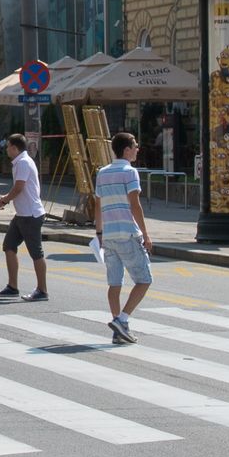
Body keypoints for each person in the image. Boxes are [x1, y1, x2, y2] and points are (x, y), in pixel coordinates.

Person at [92, 131, 153, 342]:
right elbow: (135, 205)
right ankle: (122, 320)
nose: (137, 149)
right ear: (126, 150)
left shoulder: (102, 172)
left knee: (114, 283)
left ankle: (118, 329)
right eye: (135, 146)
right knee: (144, 279)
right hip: (127, 233)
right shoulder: (130, 172)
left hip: (108, 235)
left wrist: (99, 232)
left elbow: (98, 205)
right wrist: (145, 234)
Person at [0, 131, 51, 301]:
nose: (6, 150)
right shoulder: (20, 162)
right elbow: (19, 189)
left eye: (8, 147)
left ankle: (42, 290)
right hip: (22, 215)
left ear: (13, 147)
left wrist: (5, 199)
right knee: (9, 246)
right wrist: (7, 198)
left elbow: (19, 187)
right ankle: (12, 287)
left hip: (31, 215)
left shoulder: (24, 163)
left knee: (36, 253)